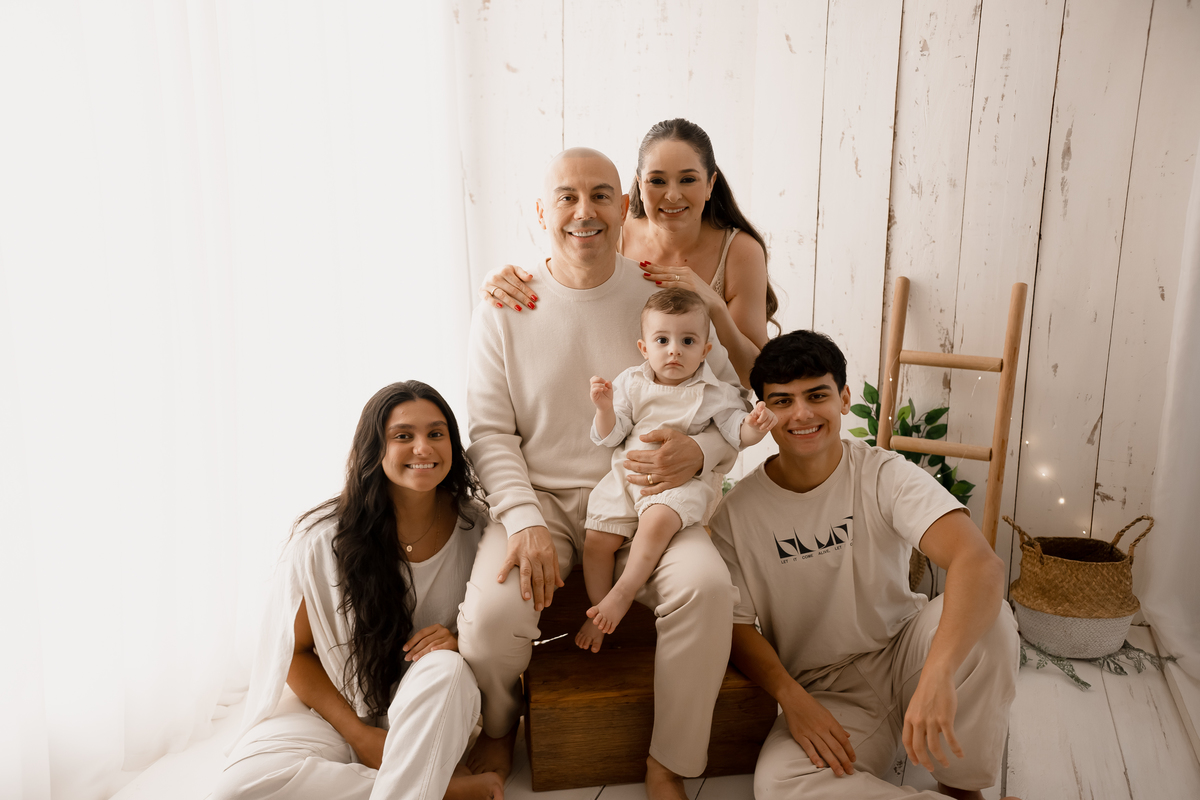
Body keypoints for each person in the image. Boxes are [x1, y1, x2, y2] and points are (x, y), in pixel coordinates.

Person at [458, 147, 746, 800]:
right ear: (542, 212)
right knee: (492, 621)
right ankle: (500, 727)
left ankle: (669, 761)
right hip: (543, 502)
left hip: (652, 496)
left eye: (600, 195)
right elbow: (490, 434)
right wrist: (523, 519)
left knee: (706, 588)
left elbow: (731, 403)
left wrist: (700, 455)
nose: (583, 211)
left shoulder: (663, 296)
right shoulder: (506, 305)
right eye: (567, 196)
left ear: (625, 207)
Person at [709, 331, 1022, 800]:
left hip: (909, 652)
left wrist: (938, 673)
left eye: (817, 395)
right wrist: (791, 698)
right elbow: (736, 625)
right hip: (828, 691)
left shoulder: (883, 473)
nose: (802, 414)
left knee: (991, 616)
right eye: (783, 401)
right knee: (780, 786)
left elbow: (979, 564)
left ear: (844, 399)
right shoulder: (736, 514)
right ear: (763, 413)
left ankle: (962, 787)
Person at [213, 382, 503, 800]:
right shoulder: (323, 540)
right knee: (238, 790)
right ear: (374, 448)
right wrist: (361, 736)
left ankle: (417, 782)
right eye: (403, 435)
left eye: (436, 433)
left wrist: (461, 641)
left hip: (428, 711)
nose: (423, 447)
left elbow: (503, 634)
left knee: (448, 667)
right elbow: (293, 653)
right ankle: (440, 790)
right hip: (335, 709)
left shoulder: (479, 530)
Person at [480, 118, 776, 388]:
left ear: (710, 184)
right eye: (657, 181)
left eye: (687, 179)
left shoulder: (739, 251)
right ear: (639, 185)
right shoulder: (613, 230)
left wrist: (714, 306)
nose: (673, 195)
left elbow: (756, 378)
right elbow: (565, 273)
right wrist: (499, 278)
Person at [578, 287, 777, 652]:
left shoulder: (715, 392)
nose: (674, 350)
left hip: (677, 485)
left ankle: (622, 595)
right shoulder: (631, 383)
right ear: (644, 348)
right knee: (596, 541)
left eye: (687, 341)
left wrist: (755, 426)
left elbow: (737, 434)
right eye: (662, 340)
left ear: (705, 350)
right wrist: (604, 409)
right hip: (626, 478)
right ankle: (599, 609)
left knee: (656, 522)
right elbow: (611, 436)